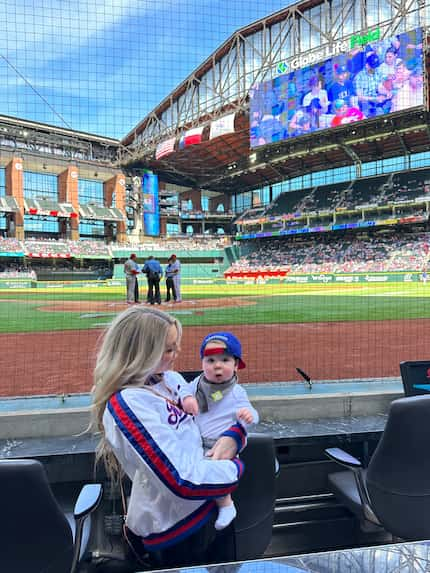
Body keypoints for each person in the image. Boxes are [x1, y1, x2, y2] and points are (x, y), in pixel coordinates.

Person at [91, 307, 246, 569]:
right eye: (168, 349)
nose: (177, 354)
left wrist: (235, 436)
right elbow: (181, 479)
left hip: (209, 505)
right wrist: (236, 468)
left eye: (176, 346)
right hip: (175, 530)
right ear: (141, 351)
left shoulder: (168, 379)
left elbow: (215, 419)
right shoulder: (128, 403)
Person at [180, 332, 259, 531]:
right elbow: (183, 391)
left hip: (219, 446)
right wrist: (187, 399)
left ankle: (226, 505)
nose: (217, 365)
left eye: (225, 360)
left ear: (236, 364)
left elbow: (253, 415)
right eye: (210, 360)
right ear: (202, 363)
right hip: (195, 441)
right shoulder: (197, 384)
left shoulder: (236, 392)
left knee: (214, 472)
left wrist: (247, 416)